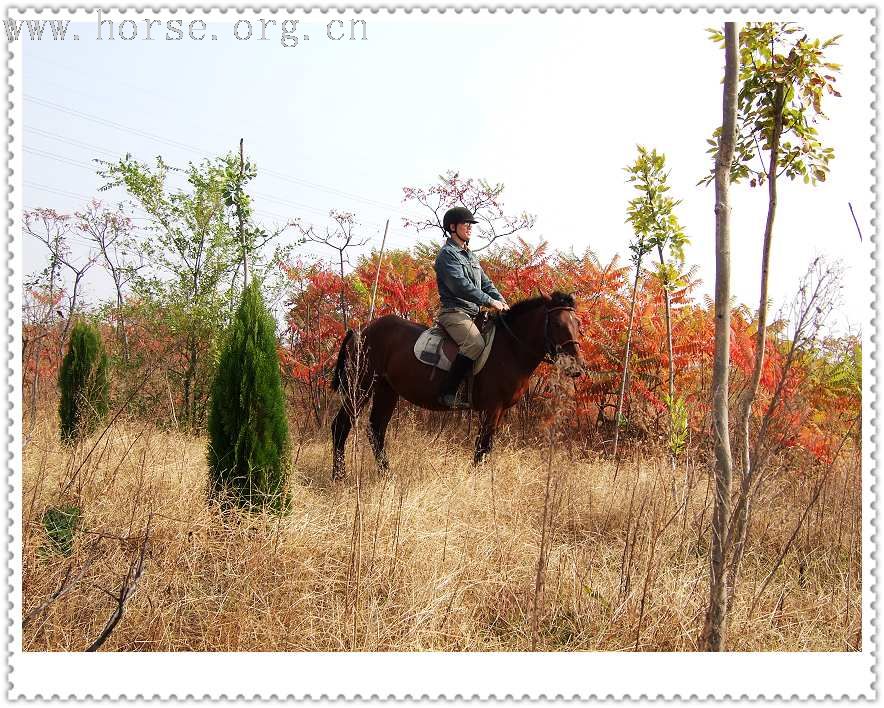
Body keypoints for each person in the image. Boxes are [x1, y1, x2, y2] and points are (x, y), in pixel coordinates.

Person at [433, 206, 509, 408]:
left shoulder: (471, 256)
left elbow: (486, 283)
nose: (469, 227)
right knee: (475, 344)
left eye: (471, 224)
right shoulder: (447, 255)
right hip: (454, 312)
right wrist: (490, 302)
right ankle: (448, 392)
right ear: (452, 227)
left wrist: (502, 301)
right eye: (465, 224)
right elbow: (460, 286)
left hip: (474, 313)